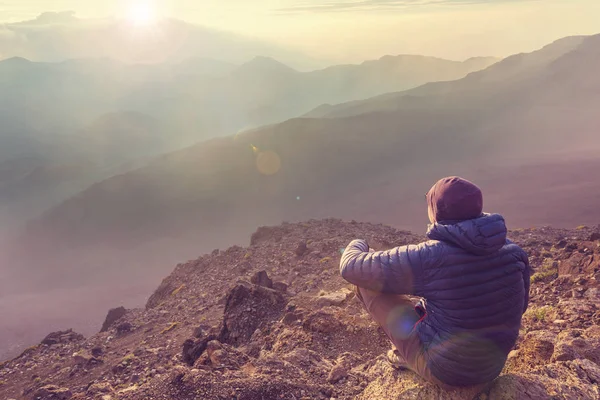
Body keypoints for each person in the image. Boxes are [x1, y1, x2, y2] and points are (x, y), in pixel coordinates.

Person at [339, 176, 530, 392]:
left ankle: (409, 357)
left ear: (438, 210)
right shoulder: (513, 252)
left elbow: (350, 267)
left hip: (446, 372)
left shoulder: (432, 256)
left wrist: (359, 243)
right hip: (492, 366)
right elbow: (520, 306)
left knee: (366, 283)